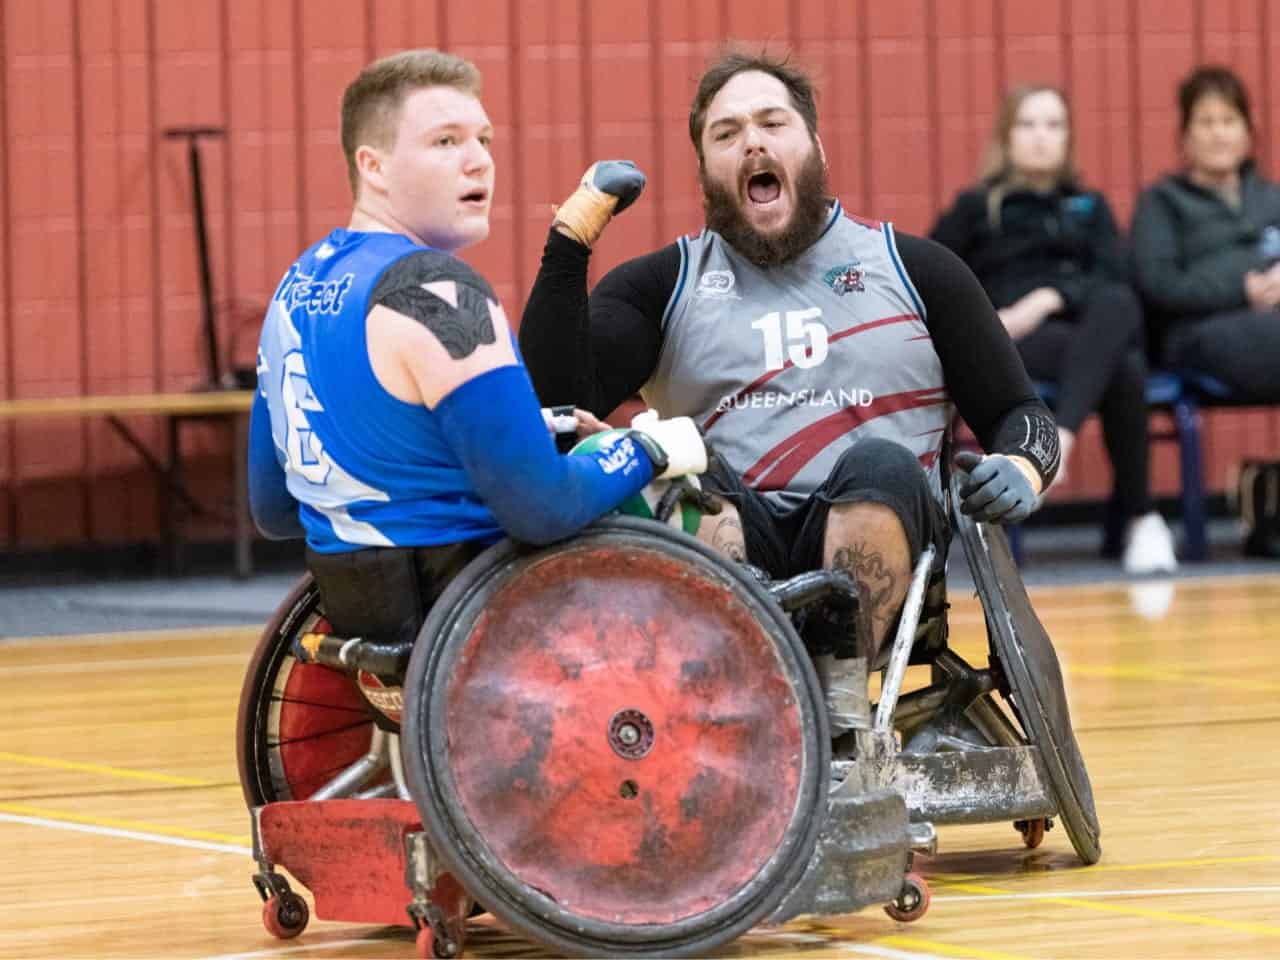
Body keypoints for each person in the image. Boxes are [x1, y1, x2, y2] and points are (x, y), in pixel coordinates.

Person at [519, 51, 1061, 732]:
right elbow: (557, 402)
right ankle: (746, 687)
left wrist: (1022, 465)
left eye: (773, 123)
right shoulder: (661, 285)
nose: (752, 141)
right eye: (726, 133)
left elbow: (1021, 413)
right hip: (733, 542)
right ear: (707, 173)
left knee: (880, 461)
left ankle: (836, 711)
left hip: (884, 541)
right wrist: (568, 245)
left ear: (815, 148)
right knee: (670, 456)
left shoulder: (918, 269)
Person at [248, 49, 705, 650]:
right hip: (478, 614)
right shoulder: (439, 292)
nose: (478, 162)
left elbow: (275, 508)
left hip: (364, 613)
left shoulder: (296, 287)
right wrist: (643, 447)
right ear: (374, 166)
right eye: (445, 142)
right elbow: (543, 509)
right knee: (687, 500)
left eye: (483, 139)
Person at [930, 84, 1178, 575]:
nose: (1042, 137)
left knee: (1121, 312)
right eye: (1028, 124)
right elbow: (937, 277)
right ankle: (1143, 517)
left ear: (1068, 138)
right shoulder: (976, 207)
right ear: (1006, 136)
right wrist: (990, 319)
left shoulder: (1089, 207)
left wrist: (1049, 298)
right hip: (1010, 347)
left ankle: (1056, 442)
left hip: (1081, 340)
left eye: (1053, 125)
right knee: (1121, 366)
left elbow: (1116, 277)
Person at [1131, 64, 1280, 403]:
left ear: (1247, 133)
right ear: (1185, 135)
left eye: (1228, 121)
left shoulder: (1272, 198)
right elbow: (1158, 284)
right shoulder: (1161, 202)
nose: (1219, 134)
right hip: (1200, 334)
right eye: (1206, 122)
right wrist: (1242, 289)